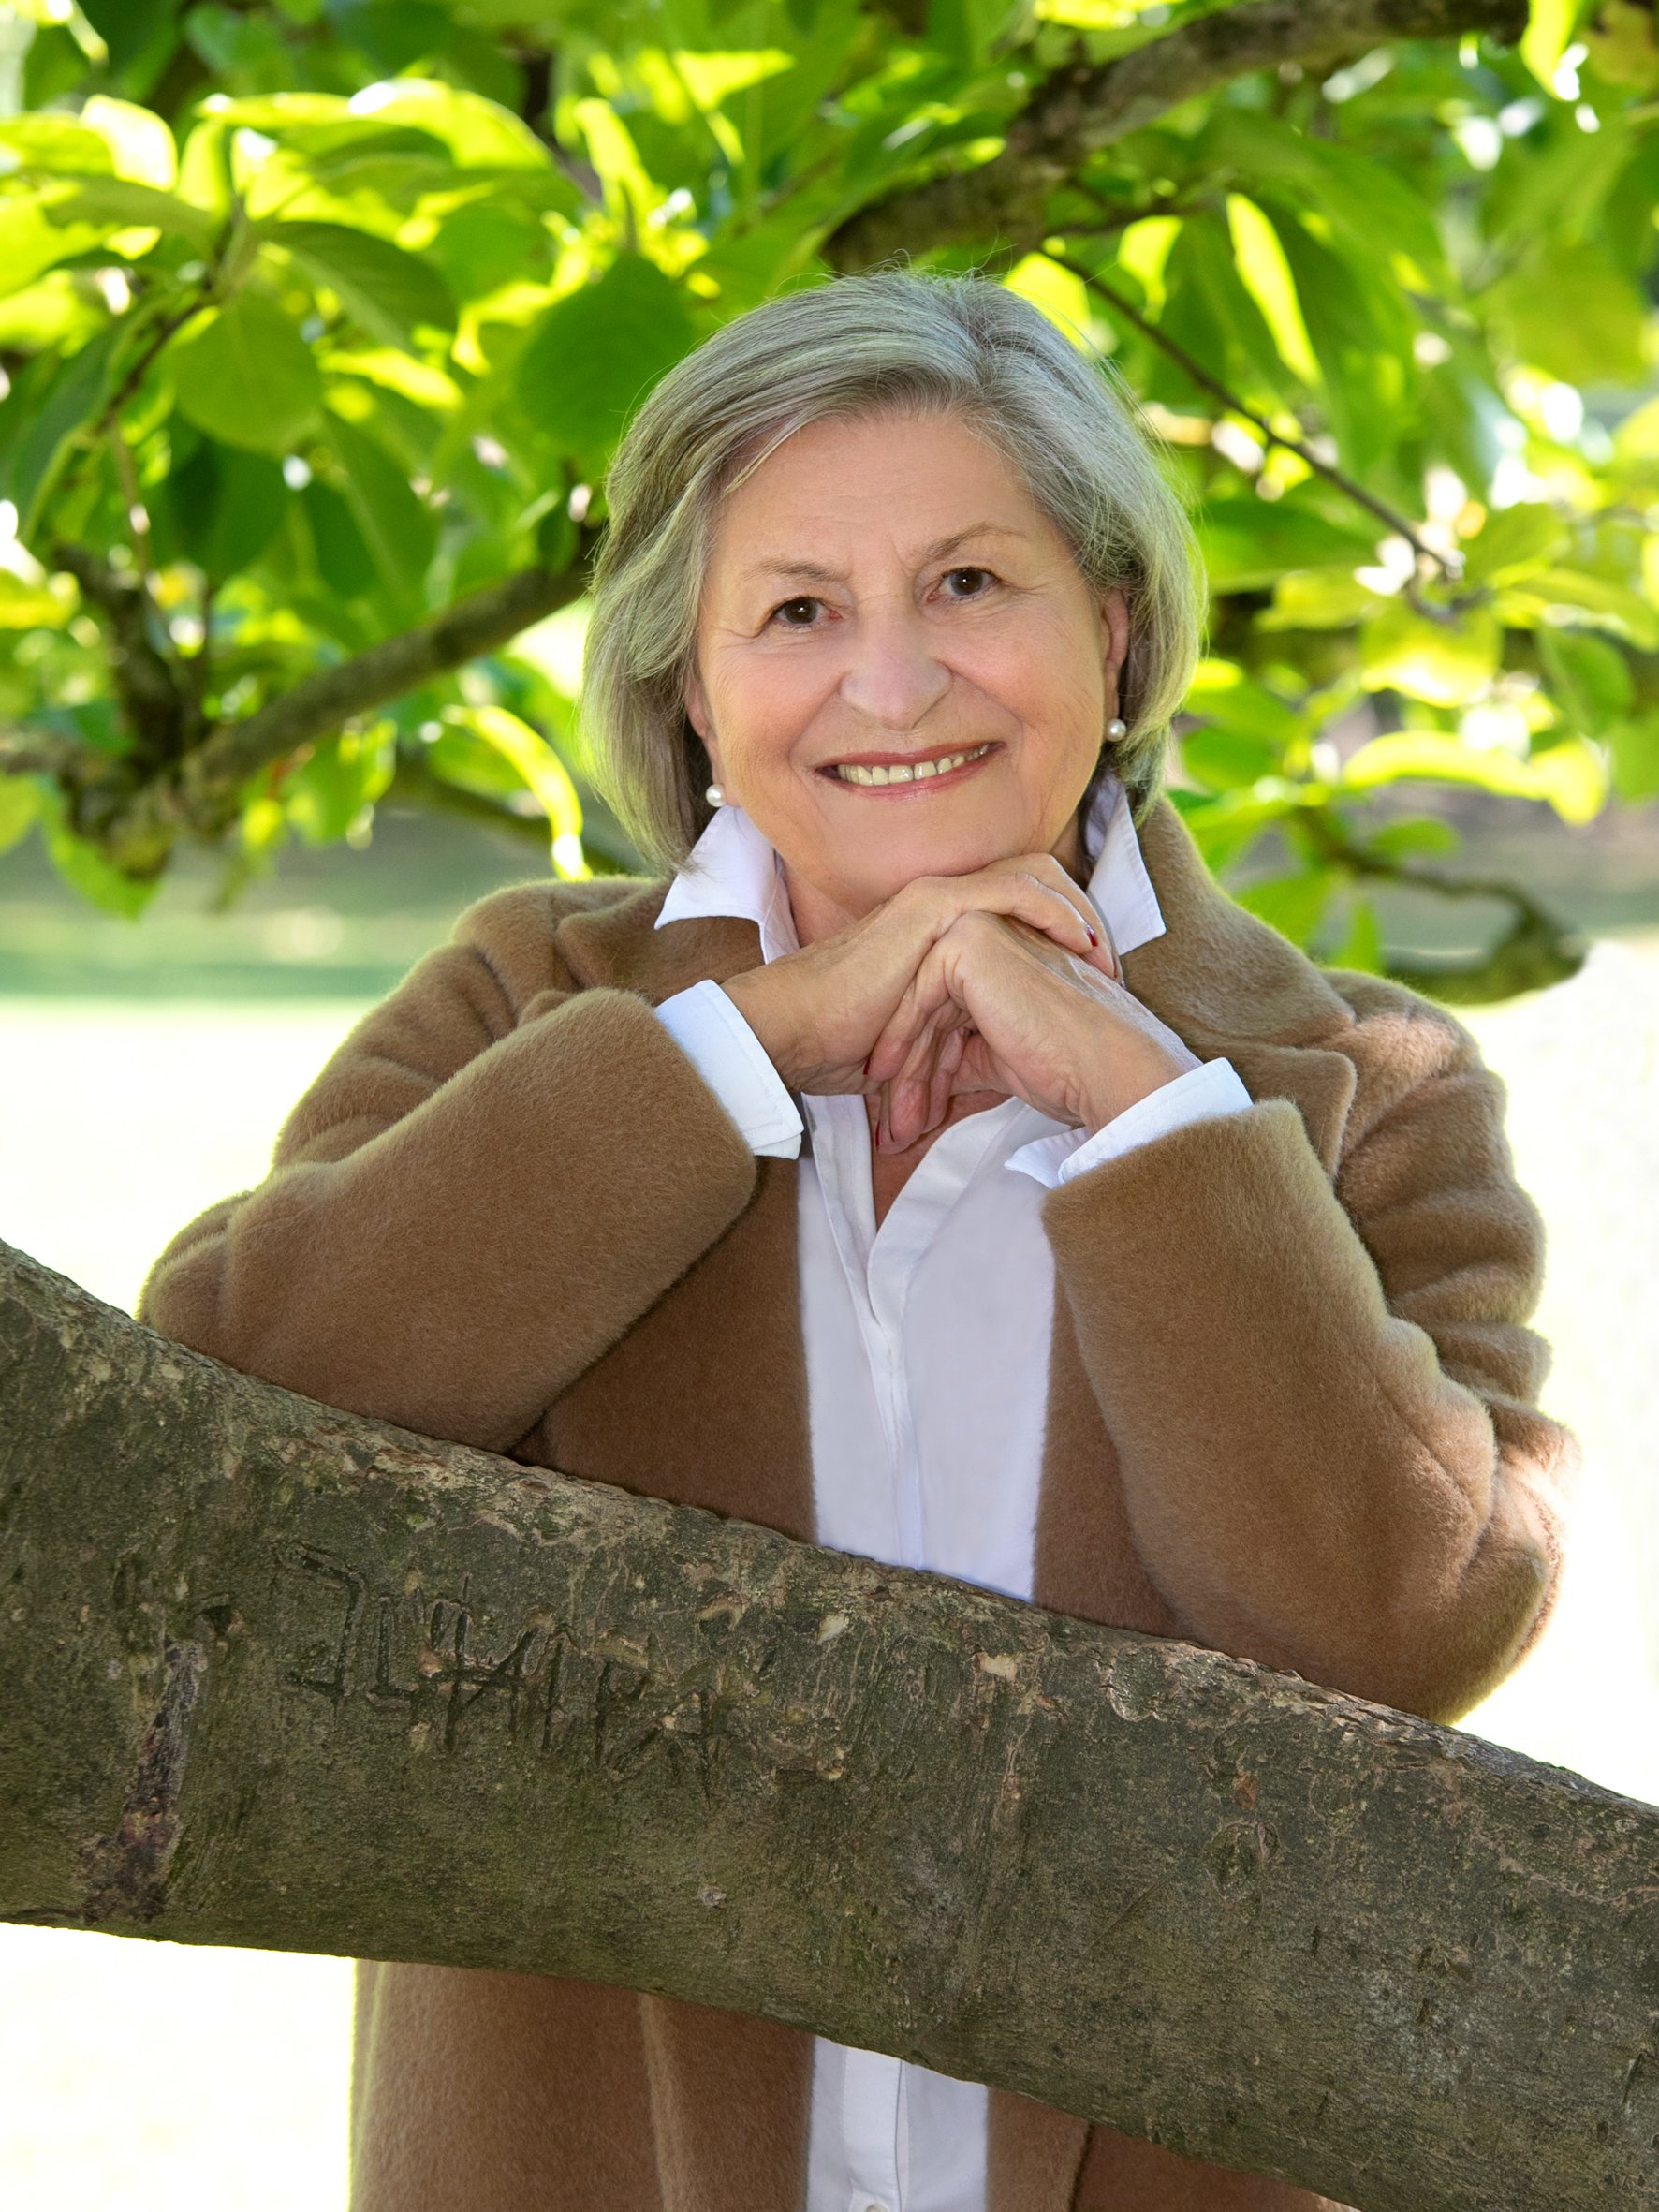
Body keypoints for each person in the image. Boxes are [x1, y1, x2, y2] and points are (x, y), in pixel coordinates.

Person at [139, 269, 1576, 2212]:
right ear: (688, 679)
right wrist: (742, 1046)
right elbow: (219, 1420)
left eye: (973, 584)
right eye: (800, 609)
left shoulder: (1362, 1088)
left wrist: (1152, 1112)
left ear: (1117, 620)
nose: (891, 684)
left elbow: (1407, 1613)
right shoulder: (519, 1003)